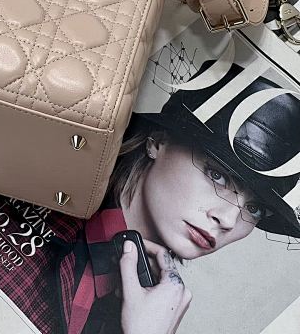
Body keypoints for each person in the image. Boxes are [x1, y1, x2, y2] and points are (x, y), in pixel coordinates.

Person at [46, 59, 300, 334]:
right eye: (217, 175)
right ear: (158, 141)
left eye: (254, 208)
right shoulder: (49, 208)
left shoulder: (151, 309)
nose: (228, 220)